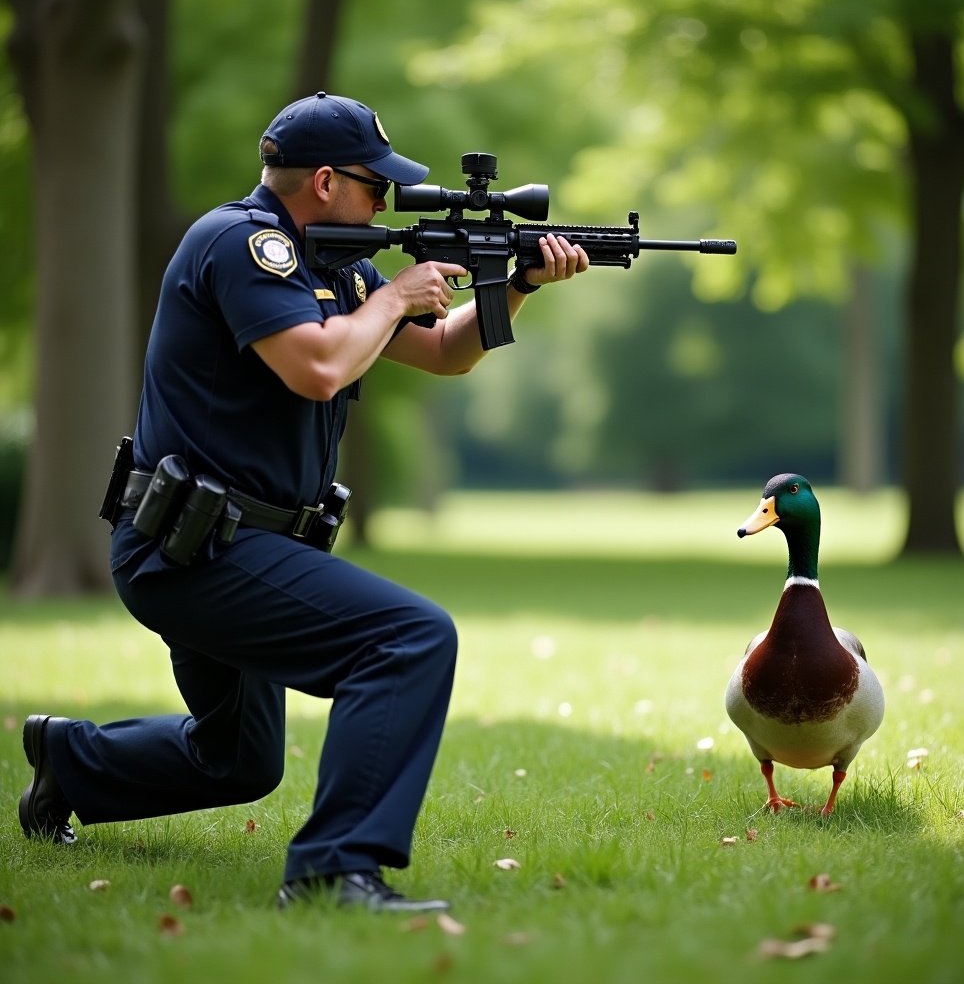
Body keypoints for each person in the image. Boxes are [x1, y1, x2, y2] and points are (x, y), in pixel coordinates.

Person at [18, 92, 588, 912]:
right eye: (375, 186)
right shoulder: (244, 245)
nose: (386, 203)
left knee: (240, 762)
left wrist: (519, 283)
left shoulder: (338, 267)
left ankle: (67, 761)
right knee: (407, 638)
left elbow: (443, 354)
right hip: (192, 548)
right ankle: (333, 872)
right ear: (324, 182)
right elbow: (318, 368)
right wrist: (393, 295)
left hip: (240, 547)